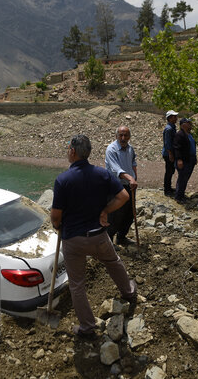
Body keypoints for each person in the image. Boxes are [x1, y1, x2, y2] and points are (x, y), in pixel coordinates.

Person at [51, 135, 137, 339]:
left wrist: (57, 225)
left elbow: (56, 217)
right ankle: (129, 292)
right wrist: (105, 211)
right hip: (99, 236)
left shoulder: (63, 180)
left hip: (74, 240)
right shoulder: (102, 174)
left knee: (77, 284)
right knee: (113, 262)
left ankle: (87, 327)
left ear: (72, 151)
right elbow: (124, 196)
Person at [104, 126, 138, 245]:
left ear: (129, 137)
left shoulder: (130, 149)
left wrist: (134, 178)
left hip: (129, 185)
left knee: (130, 214)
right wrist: (130, 178)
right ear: (116, 136)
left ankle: (121, 237)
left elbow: (133, 163)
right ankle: (108, 242)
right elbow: (115, 169)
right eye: (121, 135)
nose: (123, 138)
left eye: (126, 135)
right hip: (115, 187)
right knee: (115, 216)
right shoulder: (111, 149)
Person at [172, 118, 197, 203]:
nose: (190, 124)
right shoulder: (179, 135)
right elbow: (177, 148)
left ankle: (181, 195)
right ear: (183, 125)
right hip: (184, 160)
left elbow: (192, 146)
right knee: (182, 178)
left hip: (190, 159)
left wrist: (195, 157)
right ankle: (178, 197)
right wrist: (179, 159)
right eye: (188, 123)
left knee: (185, 178)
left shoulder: (189, 134)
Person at [162, 110, 178, 195]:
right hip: (168, 154)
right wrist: (170, 154)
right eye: (174, 117)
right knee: (169, 171)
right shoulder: (169, 129)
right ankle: (167, 189)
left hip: (170, 153)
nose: (176, 118)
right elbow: (167, 142)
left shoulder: (172, 127)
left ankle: (168, 187)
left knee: (171, 171)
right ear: (170, 118)